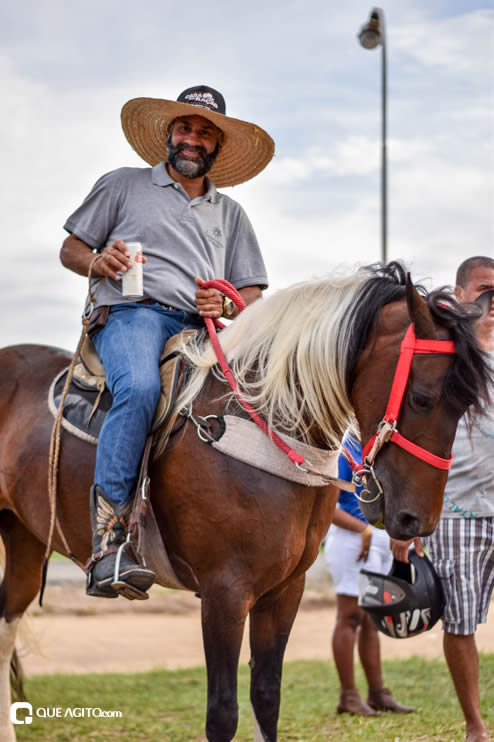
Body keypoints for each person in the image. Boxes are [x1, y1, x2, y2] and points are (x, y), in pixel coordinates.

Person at [60, 85, 274, 600]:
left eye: (205, 132)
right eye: (184, 127)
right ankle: (109, 543)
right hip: (132, 315)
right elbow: (71, 247)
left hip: (201, 332)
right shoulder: (123, 185)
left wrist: (223, 306)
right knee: (136, 390)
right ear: (168, 134)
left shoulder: (232, 214)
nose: (192, 138)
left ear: (218, 145)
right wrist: (97, 262)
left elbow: (250, 291)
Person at [392, 255, 494, 742]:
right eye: (484, 290)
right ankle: (475, 726)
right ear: (460, 295)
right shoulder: (442, 355)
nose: (493, 300)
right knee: (461, 620)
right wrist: (402, 526)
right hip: (457, 512)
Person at [323, 430, 415, 716]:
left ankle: (377, 693)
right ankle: (348, 695)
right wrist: (362, 529)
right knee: (349, 618)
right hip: (352, 542)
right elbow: (327, 507)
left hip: (375, 541)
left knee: (372, 619)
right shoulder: (344, 448)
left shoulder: (379, 445)